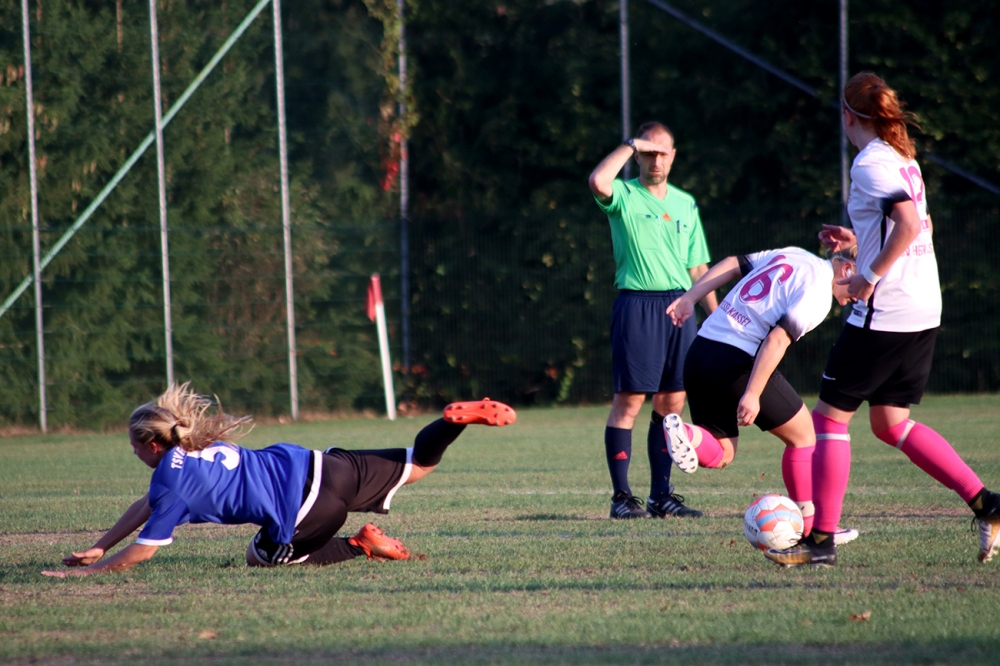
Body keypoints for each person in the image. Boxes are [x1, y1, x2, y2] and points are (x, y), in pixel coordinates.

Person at [765, 72, 1000, 567]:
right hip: (923, 306)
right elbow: (914, 228)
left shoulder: (870, 162)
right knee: (891, 423)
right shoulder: (901, 158)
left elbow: (909, 225)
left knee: (829, 419)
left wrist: (868, 277)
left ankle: (821, 541)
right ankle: (987, 504)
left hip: (887, 310)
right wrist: (859, 241)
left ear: (848, 115)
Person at [41, 385, 516, 576]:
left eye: (133, 446)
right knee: (420, 464)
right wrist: (101, 545)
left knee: (259, 558)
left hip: (309, 510)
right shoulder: (194, 443)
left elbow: (144, 550)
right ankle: (451, 423)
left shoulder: (171, 483)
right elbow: (145, 505)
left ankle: (360, 545)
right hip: (322, 465)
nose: (133, 453)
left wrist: (90, 572)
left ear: (151, 446)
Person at [661, 245, 858, 545]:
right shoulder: (819, 293)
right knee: (804, 436)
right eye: (864, 280)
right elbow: (776, 341)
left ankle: (686, 433)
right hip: (737, 361)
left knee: (723, 452)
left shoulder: (795, 254)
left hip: (700, 350)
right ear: (847, 269)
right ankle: (812, 529)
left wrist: (690, 297)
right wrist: (752, 393)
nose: (862, 294)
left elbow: (732, 262)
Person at [589, 121, 718, 519]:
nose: (656, 160)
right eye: (648, 153)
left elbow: (699, 268)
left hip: (681, 307)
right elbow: (597, 180)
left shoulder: (685, 203)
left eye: (662, 153)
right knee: (629, 401)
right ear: (638, 156)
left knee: (672, 402)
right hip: (637, 305)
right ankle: (621, 497)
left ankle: (661, 496)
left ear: (673, 156)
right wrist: (630, 144)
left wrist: (718, 318)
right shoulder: (624, 194)